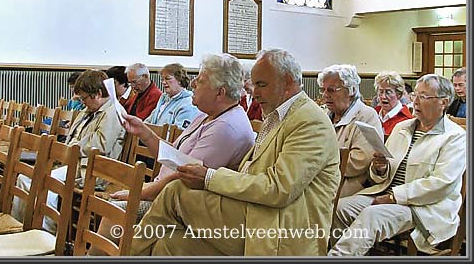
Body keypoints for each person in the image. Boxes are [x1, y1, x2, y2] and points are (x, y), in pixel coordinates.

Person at [128, 48, 340, 256]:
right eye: (254, 85)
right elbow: (251, 171)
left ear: (288, 83)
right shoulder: (278, 114)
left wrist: (210, 177)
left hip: (280, 232)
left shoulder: (310, 121)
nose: (254, 93)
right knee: (168, 244)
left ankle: (125, 255)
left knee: (174, 192)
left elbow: (278, 189)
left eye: (262, 85)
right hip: (255, 214)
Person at [89, 54, 254, 256]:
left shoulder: (226, 127)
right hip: (162, 192)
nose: (192, 83)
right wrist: (144, 132)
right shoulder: (206, 115)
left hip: (179, 207)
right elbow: (174, 156)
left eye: (200, 81)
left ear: (219, 92)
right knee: (112, 207)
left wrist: (138, 193)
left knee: (116, 213)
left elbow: (184, 177)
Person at [329, 74, 466, 256]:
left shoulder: (455, 136)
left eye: (423, 97)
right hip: (385, 193)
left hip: (423, 207)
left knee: (372, 216)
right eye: (414, 95)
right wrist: (380, 168)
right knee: (338, 208)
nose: (415, 101)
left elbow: (441, 183)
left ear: (444, 102)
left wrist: (395, 197)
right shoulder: (402, 127)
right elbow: (385, 172)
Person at [11, 69, 126, 233]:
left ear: (98, 93)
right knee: (24, 178)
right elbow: (73, 135)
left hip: (92, 170)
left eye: (84, 98)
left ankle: (47, 233)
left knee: (46, 183)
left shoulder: (113, 112)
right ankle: (23, 227)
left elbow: (101, 145)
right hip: (73, 163)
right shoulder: (89, 111)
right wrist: (66, 149)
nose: (83, 102)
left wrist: (71, 149)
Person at [317, 64, 383, 198]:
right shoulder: (325, 115)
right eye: (323, 90)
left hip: (348, 187)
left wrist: (318, 161)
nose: (325, 95)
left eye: (331, 90)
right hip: (322, 181)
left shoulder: (366, 116)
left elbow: (360, 160)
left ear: (351, 90)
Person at [144, 63, 200, 129]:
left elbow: (178, 133)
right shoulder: (164, 99)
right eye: (162, 79)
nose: (163, 82)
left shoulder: (188, 104)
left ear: (179, 80)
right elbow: (148, 122)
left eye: (167, 78)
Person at [373, 71, 413, 137]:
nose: (383, 96)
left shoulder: (406, 119)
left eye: (388, 92)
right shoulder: (373, 114)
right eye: (381, 92)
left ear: (399, 95)